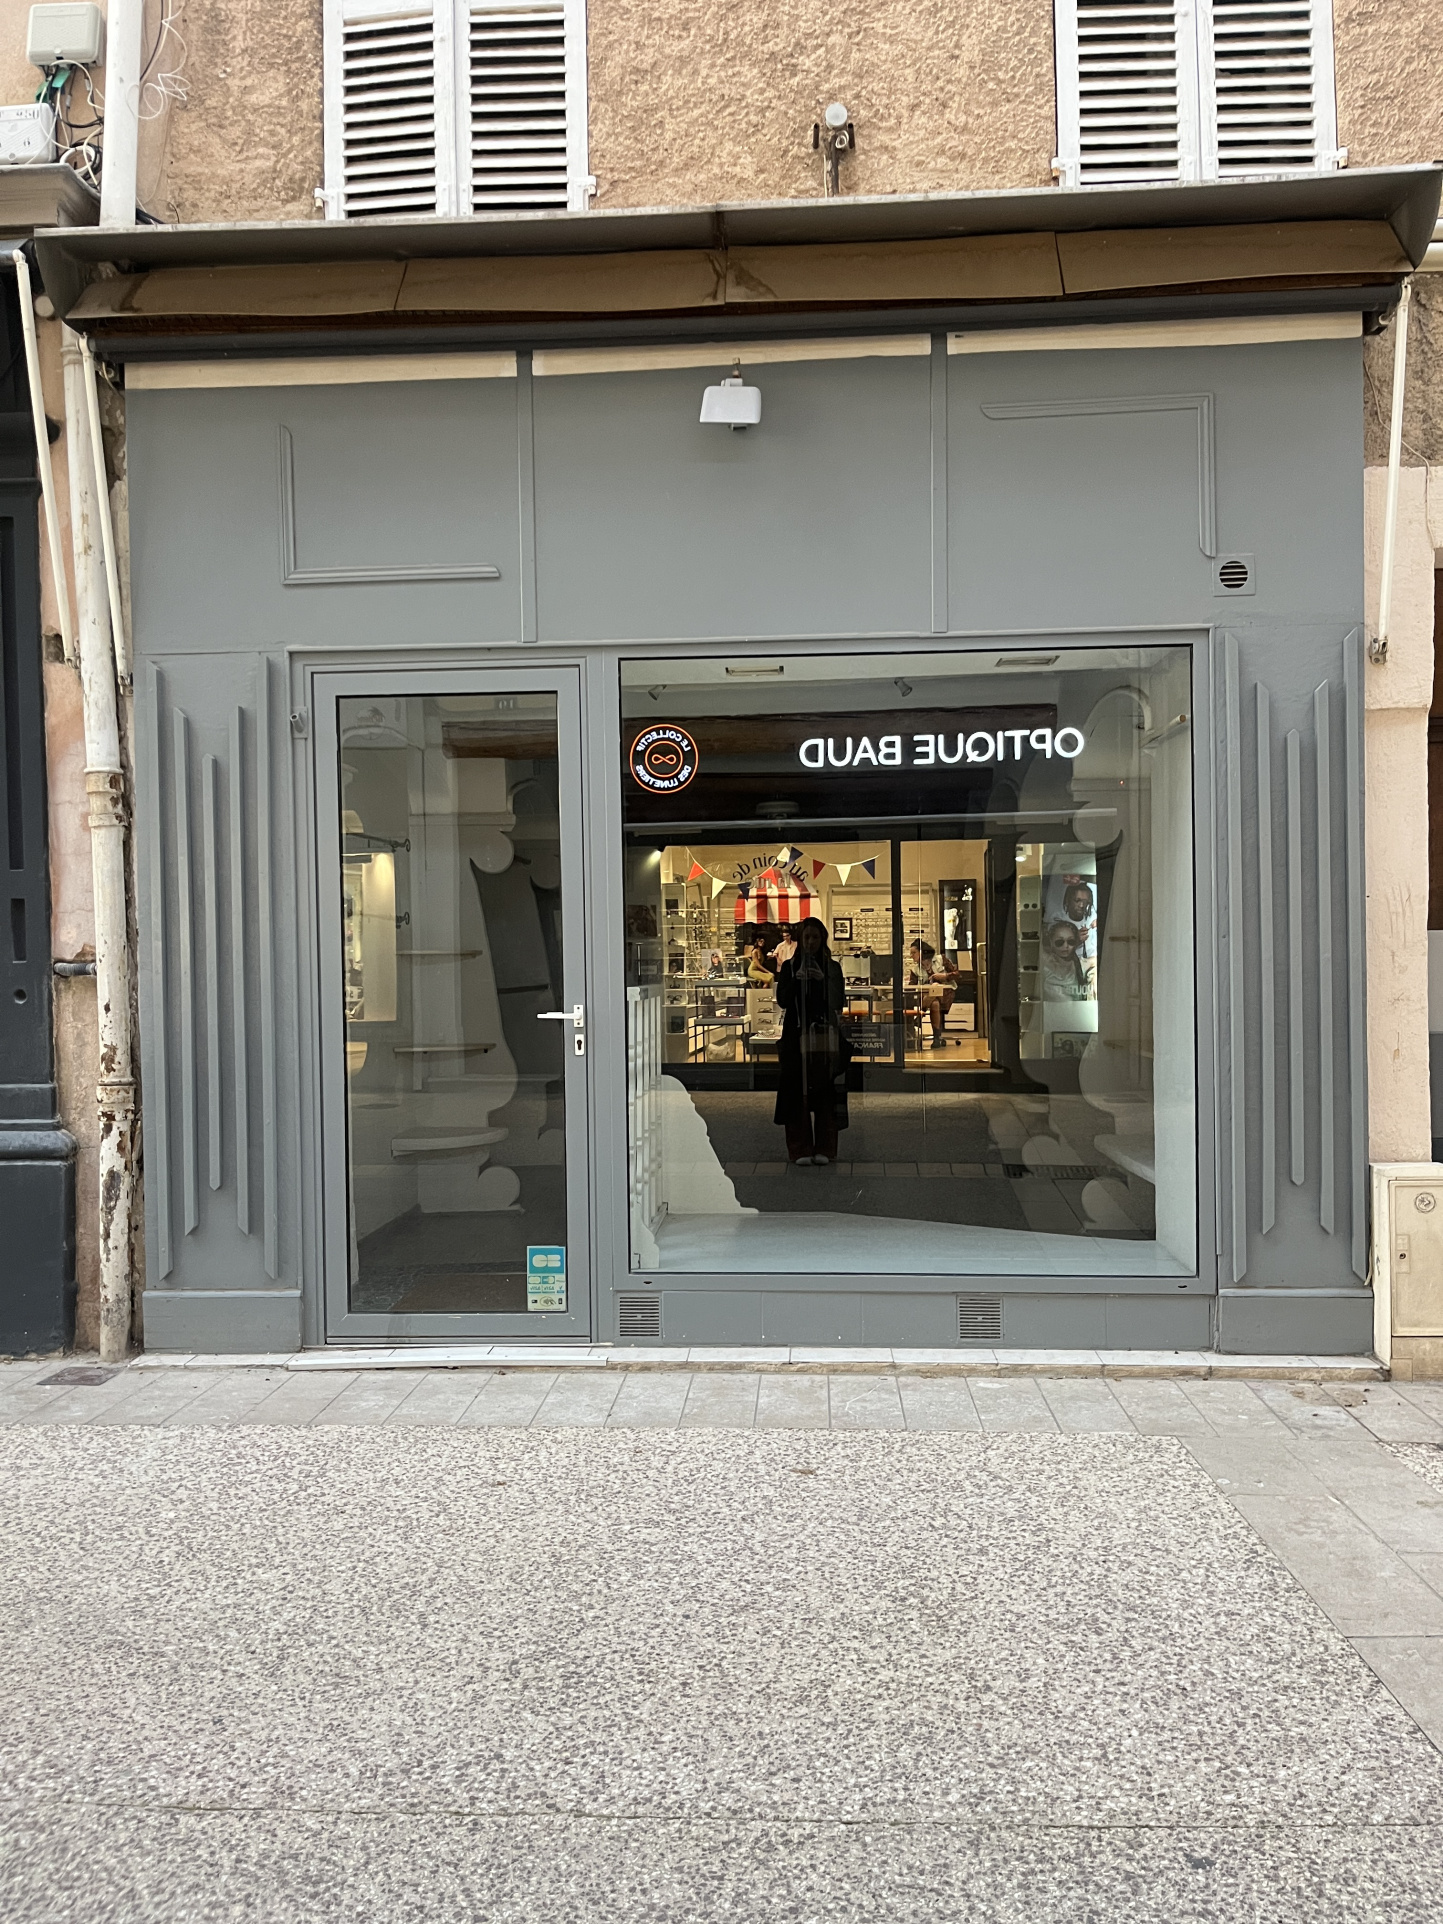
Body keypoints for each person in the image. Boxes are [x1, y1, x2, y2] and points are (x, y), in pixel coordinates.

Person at [774, 917, 850, 1165]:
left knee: (825, 1090)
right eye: (806, 937)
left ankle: (826, 1148)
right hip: (795, 1035)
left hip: (824, 1034)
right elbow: (783, 1000)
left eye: (815, 937)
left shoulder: (832, 968)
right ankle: (800, 1148)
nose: (810, 942)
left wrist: (821, 981)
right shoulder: (789, 966)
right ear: (800, 939)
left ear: (822, 939)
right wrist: (797, 979)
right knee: (796, 1090)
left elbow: (838, 1001)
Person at [907, 939, 957, 1048]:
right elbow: (912, 987)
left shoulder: (941, 960)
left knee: (935, 988)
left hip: (945, 994)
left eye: (914, 952)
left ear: (922, 952)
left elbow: (958, 974)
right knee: (934, 1003)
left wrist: (944, 976)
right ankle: (936, 1038)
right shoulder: (915, 970)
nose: (911, 956)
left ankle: (920, 1015)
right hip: (927, 997)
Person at [1040, 918, 1094, 1002]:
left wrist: (1095, 977)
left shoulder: (1079, 965)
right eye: (1059, 942)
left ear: (1076, 942)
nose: (1066, 946)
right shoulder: (1045, 964)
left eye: (1071, 941)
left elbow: (1095, 961)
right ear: (1051, 942)